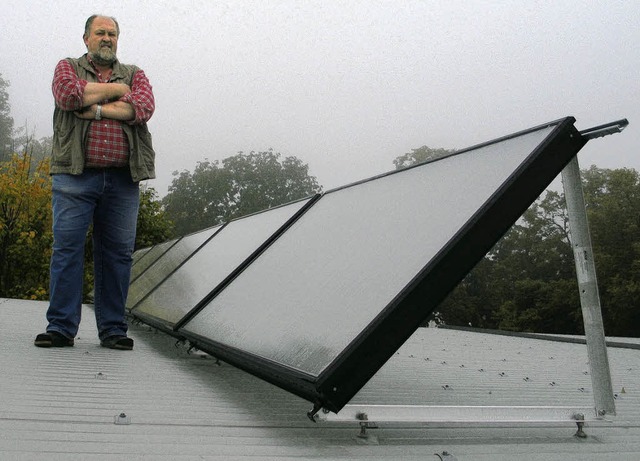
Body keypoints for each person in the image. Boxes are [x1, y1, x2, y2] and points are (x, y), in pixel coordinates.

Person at [34, 14, 156, 350]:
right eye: (100, 32)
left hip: (122, 179)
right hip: (75, 175)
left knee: (117, 255)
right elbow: (69, 97)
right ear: (86, 37)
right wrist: (119, 92)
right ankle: (60, 328)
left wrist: (99, 108)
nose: (107, 38)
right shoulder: (67, 66)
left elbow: (144, 106)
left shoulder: (136, 73)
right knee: (67, 250)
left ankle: (114, 330)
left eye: (112, 33)